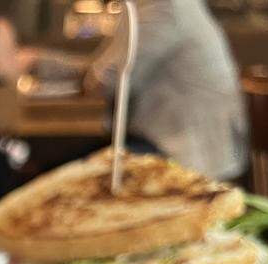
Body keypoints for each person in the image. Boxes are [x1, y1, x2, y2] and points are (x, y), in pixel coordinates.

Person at [83, 0, 247, 180]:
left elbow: (107, 80)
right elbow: (107, 69)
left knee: (76, 177)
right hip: (166, 139)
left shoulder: (164, 6)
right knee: (75, 168)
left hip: (189, 152)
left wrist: (87, 73)